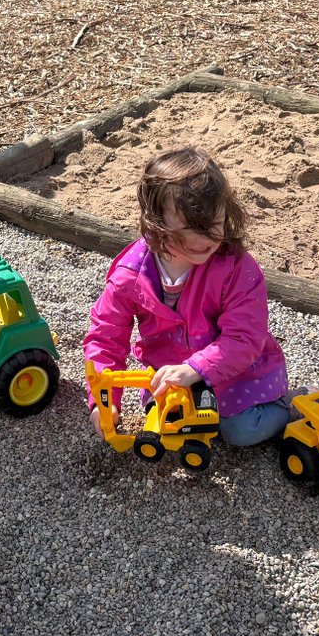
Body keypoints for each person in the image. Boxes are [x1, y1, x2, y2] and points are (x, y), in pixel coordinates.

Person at [82, 147, 291, 448]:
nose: (206, 239)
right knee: (161, 422)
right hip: (169, 374)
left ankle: (286, 406)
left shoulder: (236, 268)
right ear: (156, 226)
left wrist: (196, 369)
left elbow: (245, 338)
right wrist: (103, 402)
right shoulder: (130, 275)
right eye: (191, 230)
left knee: (241, 431)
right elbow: (105, 337)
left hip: (238, 375)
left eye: (215, 225)